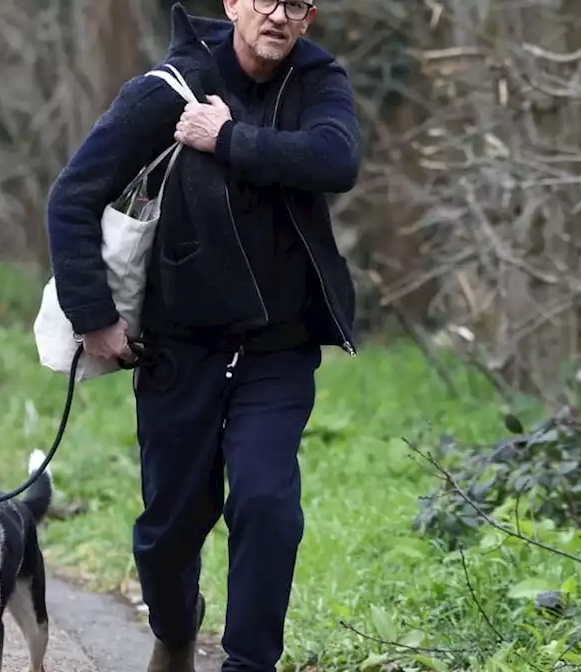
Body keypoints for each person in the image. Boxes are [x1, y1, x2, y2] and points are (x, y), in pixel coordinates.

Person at [44, 1, 360, 670]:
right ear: (233, 4)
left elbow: (336, 159)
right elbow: (72, 197)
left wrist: (230, 138)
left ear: (310, 15)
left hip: (278, 350)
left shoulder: (317, 80)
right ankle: (176, 629)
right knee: (169, 530)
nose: (279, 14)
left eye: (296, 3)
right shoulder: (169, 88)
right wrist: (94, 315)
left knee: (267, 503)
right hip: (178, 349)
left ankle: (248, 663)